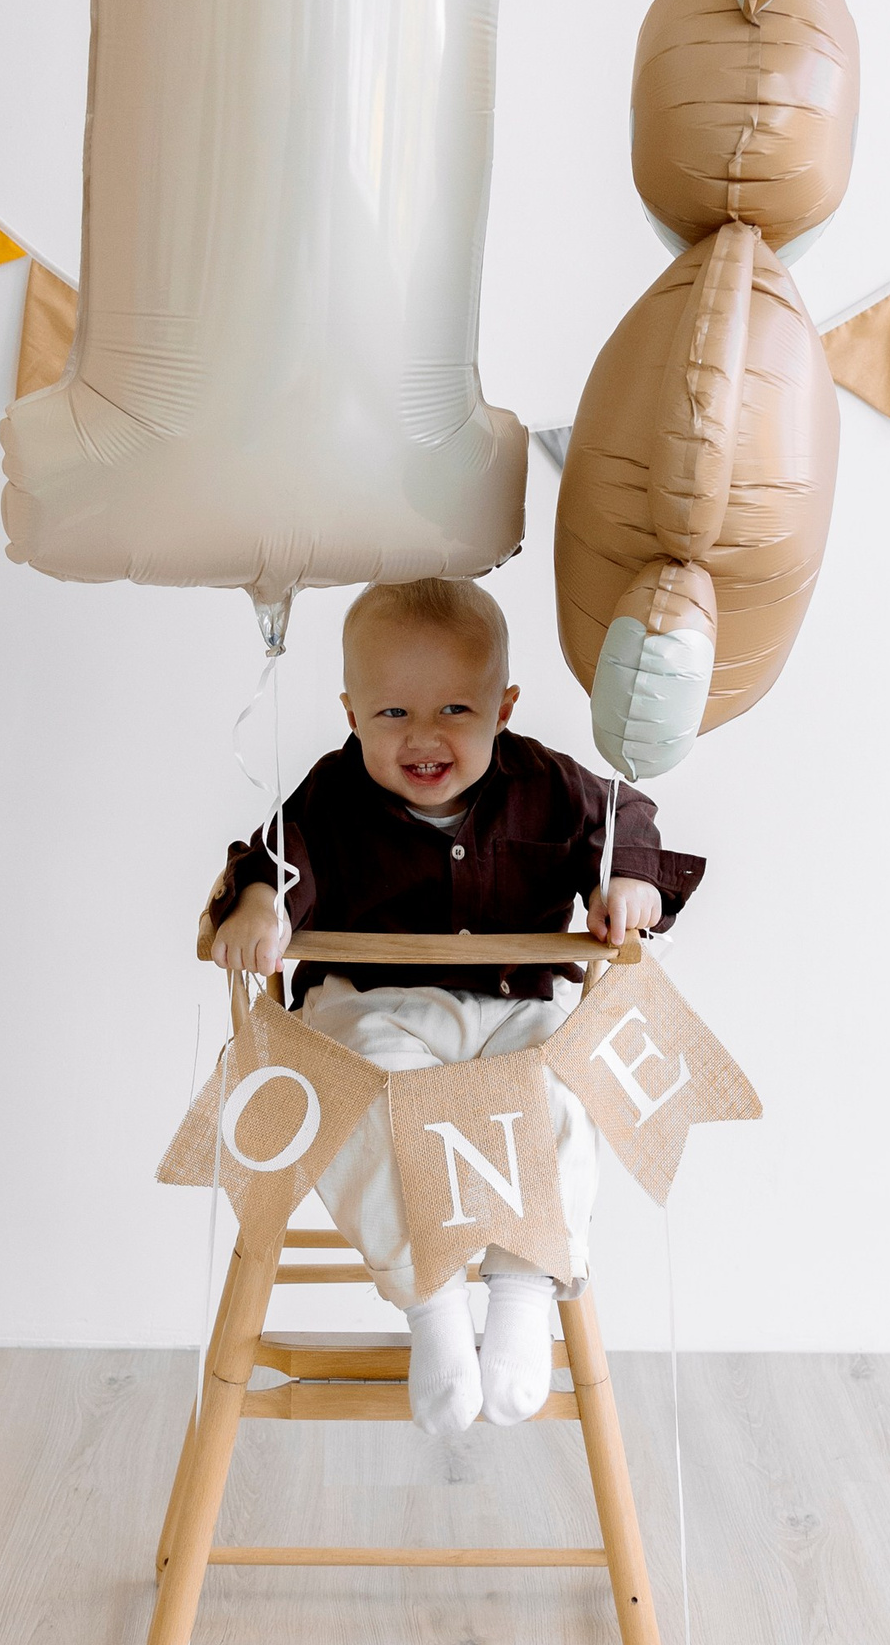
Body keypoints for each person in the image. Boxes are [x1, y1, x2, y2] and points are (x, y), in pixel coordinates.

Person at [206, 578, 704, 1434]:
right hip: (374, 1007)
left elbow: (625, 824)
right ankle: (431, 1299)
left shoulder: (548, 782)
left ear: (503, 708)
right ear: (352, 713)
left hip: (513, 1009)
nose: (424, 736)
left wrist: (627, 883)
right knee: (363, 1099)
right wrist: (260, 907)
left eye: (455, 710)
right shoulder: (332, 793)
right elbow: (275, 859)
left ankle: (522, 1287)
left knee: (562, 1085)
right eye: (392, 712)